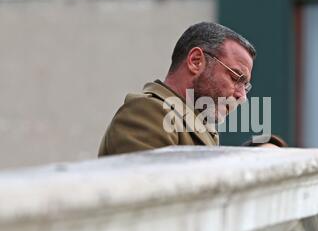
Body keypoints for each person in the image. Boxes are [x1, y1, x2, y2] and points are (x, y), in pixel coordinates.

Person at [98, 22, 286, 157]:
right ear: (196, 61)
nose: (242, 96)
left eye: (246, 86)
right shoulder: (146, 113)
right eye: (236, 78)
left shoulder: (194, 123)